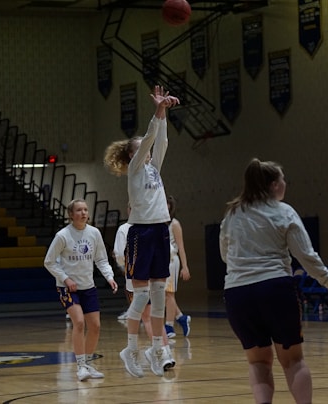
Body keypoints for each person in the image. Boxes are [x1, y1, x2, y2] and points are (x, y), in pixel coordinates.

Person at [219, 158, 328, 404]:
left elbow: (225, 255)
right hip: (274, 288)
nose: (285, 183)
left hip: (238, 294)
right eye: (283, 179)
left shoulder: (232, 214)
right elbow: (305, 255)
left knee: (258, 361)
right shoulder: (283, 211)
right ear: (274, 185)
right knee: (293, 360)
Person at [103, 85, 179, 378]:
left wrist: (164, 115)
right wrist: (158, 109)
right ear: (133, 154)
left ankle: (157, 348)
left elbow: (161, 141)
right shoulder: (135, 168)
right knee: (140, 296)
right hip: (141, 234)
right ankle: (131, 349)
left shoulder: (154, 169)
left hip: (160, 232)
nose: (147, 150)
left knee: (159, 295)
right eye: (141, 147)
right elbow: (150, 138)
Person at [44, 199, 118, 381]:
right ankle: (80, 367)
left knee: (95, 326)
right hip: (67, 288)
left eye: (85, 209)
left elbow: (101, 259)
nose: (84, 213)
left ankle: (88, 363)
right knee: (78, 322)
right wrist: (66, 279)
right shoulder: (62, 235)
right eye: (79, 210)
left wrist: (110, 277)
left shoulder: (94, 233)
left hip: (88, 287)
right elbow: (49, 261)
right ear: (71, 214)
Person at [113, 215, 176, 371]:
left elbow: (121, 256)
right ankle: (163, 353)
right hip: (142, 279)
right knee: (151, 316)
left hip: (147, 279)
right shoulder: (127, 229)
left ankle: (162, 353)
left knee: (152, 316)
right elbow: (120, 255)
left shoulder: (148, 227)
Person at [164, 195, 191, 338]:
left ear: (169, 206)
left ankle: (169, 326)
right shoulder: (158, 223)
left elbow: (181, 247)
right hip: (160, 262)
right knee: (163, 295)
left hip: (172, 261)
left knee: (169, 294)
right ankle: (181, 317)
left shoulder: (174, 224)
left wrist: (185, 267)